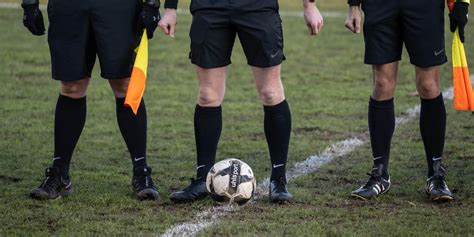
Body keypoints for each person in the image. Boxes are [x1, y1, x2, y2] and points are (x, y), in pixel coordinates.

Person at [168, 0, 324, 203]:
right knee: (208, 95)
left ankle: (279, 179)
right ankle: (202, 179)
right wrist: (170, 8)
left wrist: (309, 5)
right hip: (209, 7)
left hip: (257, 7)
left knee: (270, 92)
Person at [22, 0, 178, 200]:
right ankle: (59, 173)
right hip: (69, 7)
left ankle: (141, 172)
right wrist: (29, 3)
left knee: (124, 85)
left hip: (119, 7)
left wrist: (151, 4)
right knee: (71, 86)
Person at [344, 0, 469, 201]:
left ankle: (436, 174)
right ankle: (380, 173)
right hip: (379, 5)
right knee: (382, 84)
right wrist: (353, 4)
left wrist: (462, 4)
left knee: (428, 85)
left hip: (424, 5)